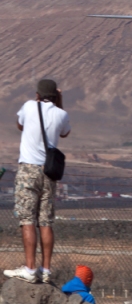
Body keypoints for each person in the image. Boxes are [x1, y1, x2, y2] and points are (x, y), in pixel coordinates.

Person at [4, 79, 70, 284]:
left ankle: (30, 268)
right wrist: (59, 103)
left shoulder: (29, 106)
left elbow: (19, 125)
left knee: (27, 219)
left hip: (28, 169)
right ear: (56, 96)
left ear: (38, 94)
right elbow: (64, 132)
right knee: (45, 221)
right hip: (48, 172)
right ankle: (46, 269)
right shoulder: (62, 114)